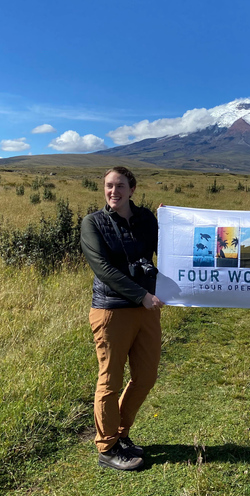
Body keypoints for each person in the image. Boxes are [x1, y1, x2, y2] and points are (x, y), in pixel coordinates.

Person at [80, 166, 164, 471]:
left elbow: (169, 250)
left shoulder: (146, 220)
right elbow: (102, 268)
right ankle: (107, 447)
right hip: (111, 311)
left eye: (119, 186)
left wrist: (172, 221)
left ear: (132, 189)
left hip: (146, 310)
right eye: (108, 186)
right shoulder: (93, 223)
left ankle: (121, 434)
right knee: (110, 380)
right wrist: (141, 295)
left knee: (146, 377)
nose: (113, 192)